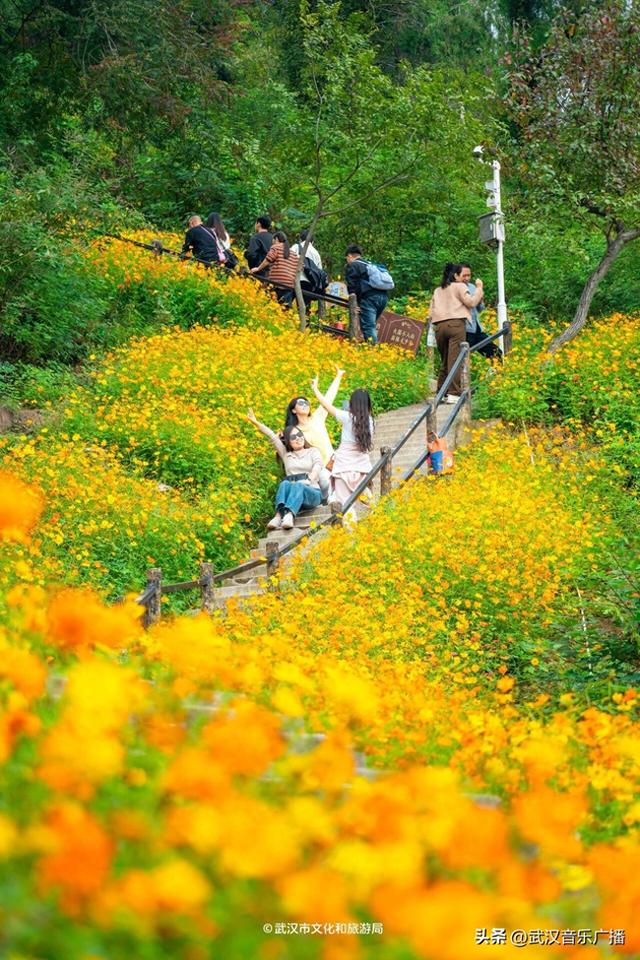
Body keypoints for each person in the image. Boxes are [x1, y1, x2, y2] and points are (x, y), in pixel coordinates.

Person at [246, 411, 324, 530]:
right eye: (293, 437)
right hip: (293, 494)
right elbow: (272, 435)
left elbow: (318, 465)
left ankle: (288, 515)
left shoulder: (312, 451)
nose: (298, 439)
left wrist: (311, 477)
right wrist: (255, 422)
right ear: (288, 441)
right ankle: (278, 516)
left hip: (312, 493)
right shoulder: (287, 455)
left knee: (298, 485)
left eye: (300, 435)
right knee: (285, 483)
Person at [310, 380, 374, 512]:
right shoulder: (370, 421)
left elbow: (326, 405)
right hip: (362, 464)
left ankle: (349, 529)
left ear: (352, 403)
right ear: (367, 403)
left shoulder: (347, 417)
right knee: (364, 495)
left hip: (343, 464)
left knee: (344, 500)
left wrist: (315, 388)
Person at [285, 366, 345, 499]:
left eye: (307, 402)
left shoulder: (317, 417)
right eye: (301, 403)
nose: (305, 404)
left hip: (333, 463)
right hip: (315, 471)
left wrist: (338, 376)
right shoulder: (294, 432)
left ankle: (330, 497)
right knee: (324, 480)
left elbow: (329, 398)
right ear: (293, 410)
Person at [428, 262, 484, 403]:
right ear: (455, 275)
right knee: (455, 360)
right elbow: (471, 303)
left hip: (439, 326)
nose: (465, 278)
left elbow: (430, 312)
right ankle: (453, 393)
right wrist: (479, 289)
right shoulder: (460, 286)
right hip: (456, 324)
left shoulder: (438, 290)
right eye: (462, 274)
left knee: (445, 360)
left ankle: (441, 392)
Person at [344, 244, 388, 344]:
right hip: (383, 297)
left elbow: (352, 286)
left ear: (350, 256)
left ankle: (372, 352)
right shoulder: (370, 264)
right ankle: (368, 347)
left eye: (347, 258)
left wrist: (355, 304)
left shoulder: (353, 265)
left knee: (368, 327)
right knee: (370, 325)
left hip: (370, 298)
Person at [458, 262, 501, 361]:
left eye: (469, 275)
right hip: (465, 331)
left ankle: (498, 375)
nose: (467, 278)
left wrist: (480, 299)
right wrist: (477, 293)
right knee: (462, 360)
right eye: (464, 275)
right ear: (457, 275)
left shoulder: (473, 287)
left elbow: (480, 309)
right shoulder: (453, 289)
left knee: (496, 353)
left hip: (477, 328)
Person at [250, 230, 300, 306]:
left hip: (277, 283)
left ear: (276, 239)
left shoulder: (275, 247)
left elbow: (268, 259)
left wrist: (258, 268)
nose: (272, 242)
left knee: (270, 304)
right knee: (285, 308)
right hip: (290, 284)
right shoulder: (293, 253)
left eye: (272, 240)